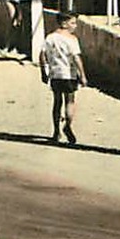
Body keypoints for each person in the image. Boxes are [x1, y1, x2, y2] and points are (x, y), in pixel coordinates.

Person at [40, 12, 88, 144]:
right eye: (73, 23)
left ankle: (56, 131)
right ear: (64, 24)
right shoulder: (72, 39)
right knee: (70, 101)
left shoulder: (50, 38)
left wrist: (44, 72)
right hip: (69, 74)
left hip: (55, 74)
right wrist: (82, 75)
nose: (75, 26)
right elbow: (76, 58)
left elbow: (42, 54)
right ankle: (67, 125)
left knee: (57, 101)